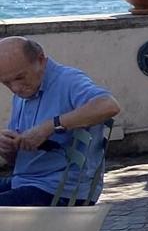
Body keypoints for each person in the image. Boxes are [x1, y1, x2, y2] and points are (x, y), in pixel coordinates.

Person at [0, 38, 122, 206]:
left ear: (40, 60)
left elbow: (109, 106)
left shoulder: (68, 80)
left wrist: (50, 126)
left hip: (60, 190)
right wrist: (8, 148)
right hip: (26, 180)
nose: (15, 88)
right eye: (6, 83)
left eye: (20, 77)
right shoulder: (24, 92)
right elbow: (19, 163)